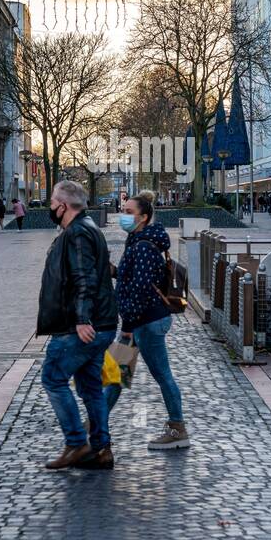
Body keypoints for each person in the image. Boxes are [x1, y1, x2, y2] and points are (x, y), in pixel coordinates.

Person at [36, 180, 117, 471]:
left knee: (53, 379)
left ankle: (76, 443)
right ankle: (101, 449)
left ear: (64, 206)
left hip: (80, 327)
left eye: (52, 203)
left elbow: (84, 278)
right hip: (103, 323)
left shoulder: (78, 233)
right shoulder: (88, 228)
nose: (50, 208)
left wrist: (82, 319)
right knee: (91, 388)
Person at [106, 190, 189, 449]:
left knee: (161, 374)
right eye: (123, 210)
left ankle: (177, 430)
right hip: (141, 319)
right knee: (116, 373)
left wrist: (129, 326)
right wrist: (116, 272)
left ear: (142, 217)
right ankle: (96, 421)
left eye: (129, 212)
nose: (124, 216)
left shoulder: (142, 245)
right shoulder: (139, 240)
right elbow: (137, 280)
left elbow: (141, 289)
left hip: (146, 321)